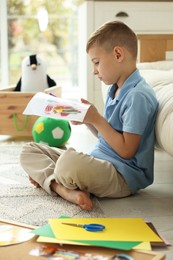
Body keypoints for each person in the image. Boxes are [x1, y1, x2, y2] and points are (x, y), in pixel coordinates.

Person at [20, 21, 158, 211]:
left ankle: (53, 182)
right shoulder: (116, 90)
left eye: (96, 62)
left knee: (68, 162)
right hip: (101, 161)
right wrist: (89, 121)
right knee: (29, 151)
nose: (94, 71)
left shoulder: (138, 96)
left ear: (118, 54)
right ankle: (61, 186)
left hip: (122, 175)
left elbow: (126, 151)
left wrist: (96, 119)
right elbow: (109, 138)